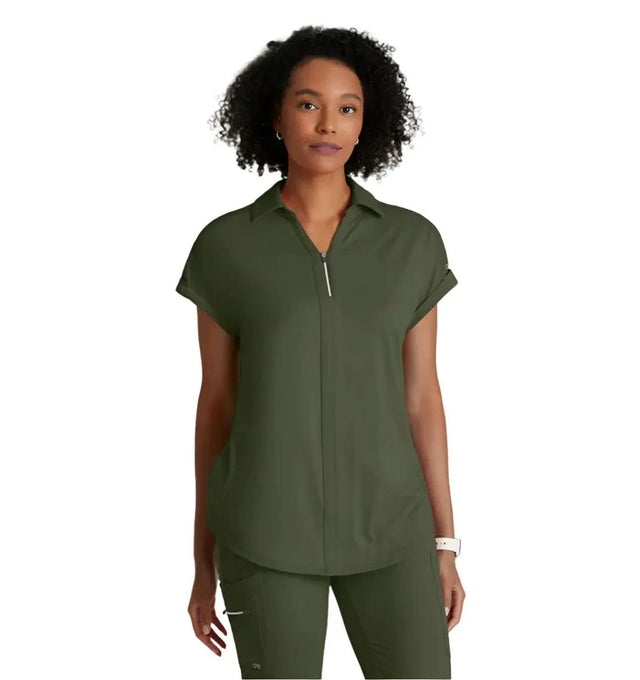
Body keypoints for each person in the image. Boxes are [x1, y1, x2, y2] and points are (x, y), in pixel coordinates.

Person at [177, 25, 465, 679]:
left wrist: (445, 542)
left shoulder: (412, 243)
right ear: (276, 116)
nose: (328, 123)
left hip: (393, 530)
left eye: (347, 107)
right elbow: (216, 405)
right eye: (308, 103)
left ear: (367, 122)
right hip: (263, 533)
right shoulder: (226, 246)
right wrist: (201, 559)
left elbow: (423, 398)